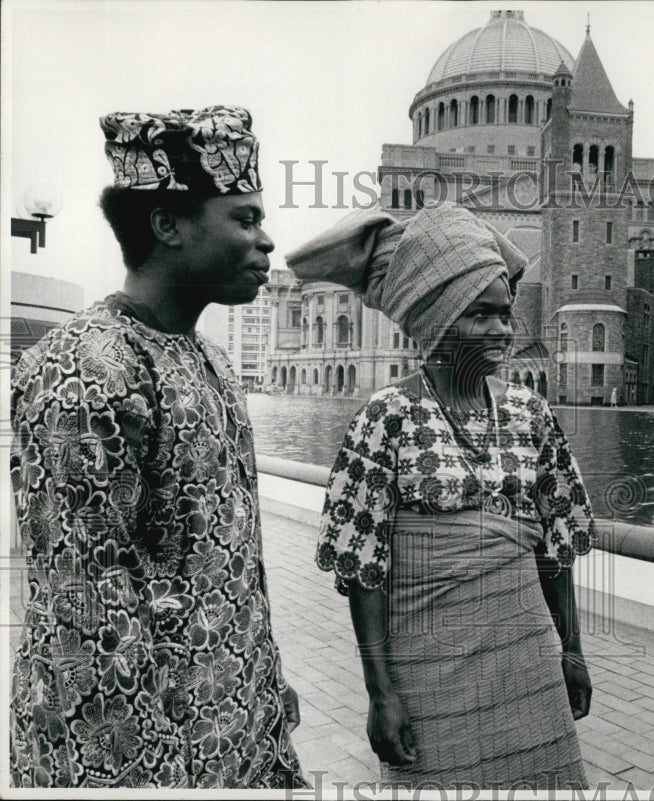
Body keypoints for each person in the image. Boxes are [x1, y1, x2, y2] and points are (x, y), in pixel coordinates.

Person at [9, 106, 306, 789]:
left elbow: (224, 562)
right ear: (168, 224)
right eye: (245, 219)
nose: (266, 241)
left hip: (235, 732)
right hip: (147, 763)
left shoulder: (212, 361)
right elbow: (83, 616)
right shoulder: (85, 369)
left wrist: (263, 687)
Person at [288, 202, 596, 790]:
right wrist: (380, 692)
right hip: (428, 670)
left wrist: (572, 650)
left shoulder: (530, 413)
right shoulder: (387, 416)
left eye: (504, 314)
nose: (502, 330)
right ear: (436, 321)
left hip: (528, 660)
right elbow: (364, 569)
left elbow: (556, 547)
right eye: (481, 315)